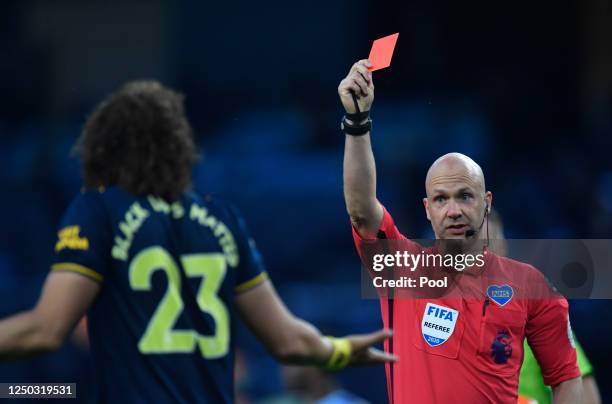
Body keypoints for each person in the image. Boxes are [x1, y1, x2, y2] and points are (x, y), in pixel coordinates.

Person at [0, 81, 396, 403]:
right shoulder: (220, 219)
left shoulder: (98, 211)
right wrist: (341, 351)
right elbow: (288, 339)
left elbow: (45, 330)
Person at [338, 59, 582, 403]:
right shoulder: (402, 267)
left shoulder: (530, 285)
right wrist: (357, 123)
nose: (453, 210)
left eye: (465, 196)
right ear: (427, 208)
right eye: (441, 199)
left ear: (486, 202)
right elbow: (361, 209)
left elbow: (567, 378)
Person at [486, 210, 601, 404]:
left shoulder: (537, 316)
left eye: (487, 244)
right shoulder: (435, 318)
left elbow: (588, 399)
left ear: (503, 249)